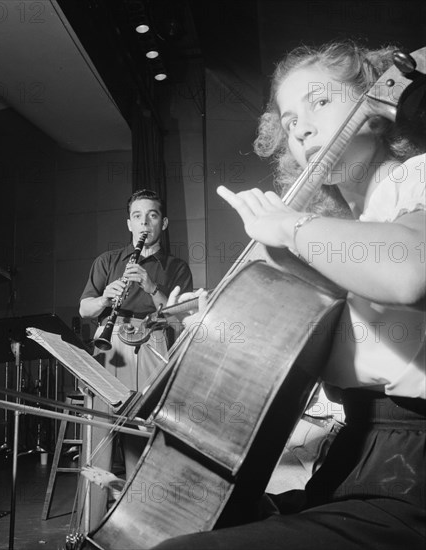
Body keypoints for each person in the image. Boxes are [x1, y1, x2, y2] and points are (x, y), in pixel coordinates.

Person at [152, 41, 426, 550]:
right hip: (353, 461)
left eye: (320, 102)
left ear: (376, 110)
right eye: (288, 118)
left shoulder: (417, 178)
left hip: (410, 475)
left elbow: (410, 269)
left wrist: (291, 223)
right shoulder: (343, 237)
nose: (299, 127)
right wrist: (229, 329)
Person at [79, 188, 193, 527]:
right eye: (138, 216)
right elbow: (84, 309)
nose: (145, 223)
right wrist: (104, 300)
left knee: (149, 428)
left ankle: (146, 514)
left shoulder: (175, 267)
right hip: (111, 343)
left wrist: (150, 286)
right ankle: (96, 520)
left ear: (164, 222)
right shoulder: (107, 261)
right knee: (103, 427)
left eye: (153, 215)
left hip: (154, 340)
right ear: (129, 223)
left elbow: (179, 317)